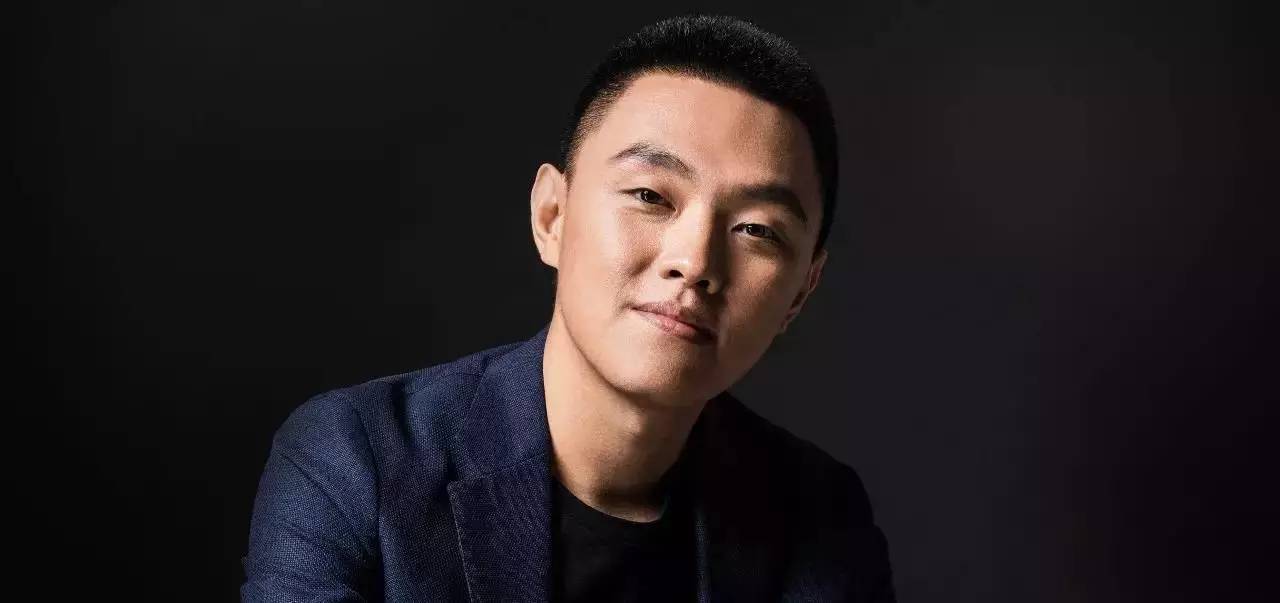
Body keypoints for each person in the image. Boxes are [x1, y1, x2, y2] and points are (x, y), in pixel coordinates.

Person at [242, 13, 895, 602]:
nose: (694, 261)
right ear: (551, 216)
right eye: (650, 196)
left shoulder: (823, 516)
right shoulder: (357, 458)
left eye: (756, 230)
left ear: (801, 292)